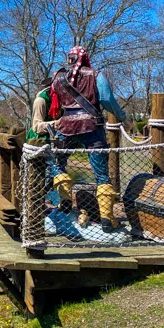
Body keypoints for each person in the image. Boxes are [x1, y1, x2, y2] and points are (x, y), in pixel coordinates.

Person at [50, 46, 127, 233]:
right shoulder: (96, 75)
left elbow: (55, 100)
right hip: (93, 127)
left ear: (69, 59)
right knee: (101, 175)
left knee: (57, 164)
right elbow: (107, 99)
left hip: (66, 127)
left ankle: (65, 200)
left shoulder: (58, 78)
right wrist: (123, 117)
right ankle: (108, 220)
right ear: (84, 58)